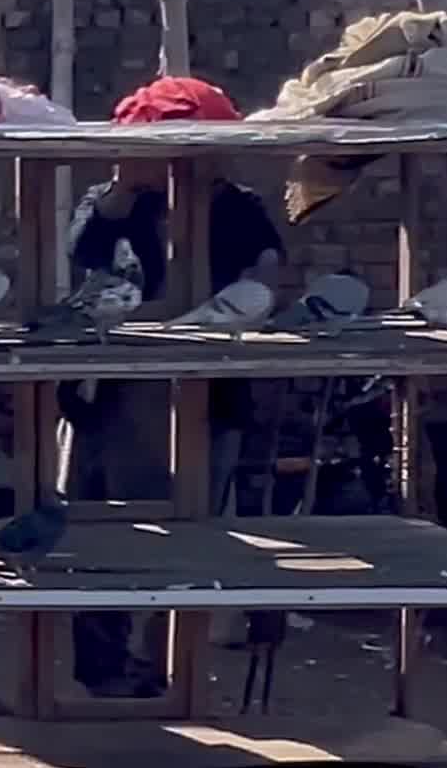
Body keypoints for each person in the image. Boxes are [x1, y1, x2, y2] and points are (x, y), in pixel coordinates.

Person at [59, 75, 285, 695]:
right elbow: (80, 254)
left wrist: (248, 295)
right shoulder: (117, 204)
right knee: (107, 525)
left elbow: (268, 264)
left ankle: (168, 663)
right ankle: (103, 664)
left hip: (208, 391)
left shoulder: (236, 205)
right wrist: (122, 188)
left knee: (192, 530)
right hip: (117, 394)